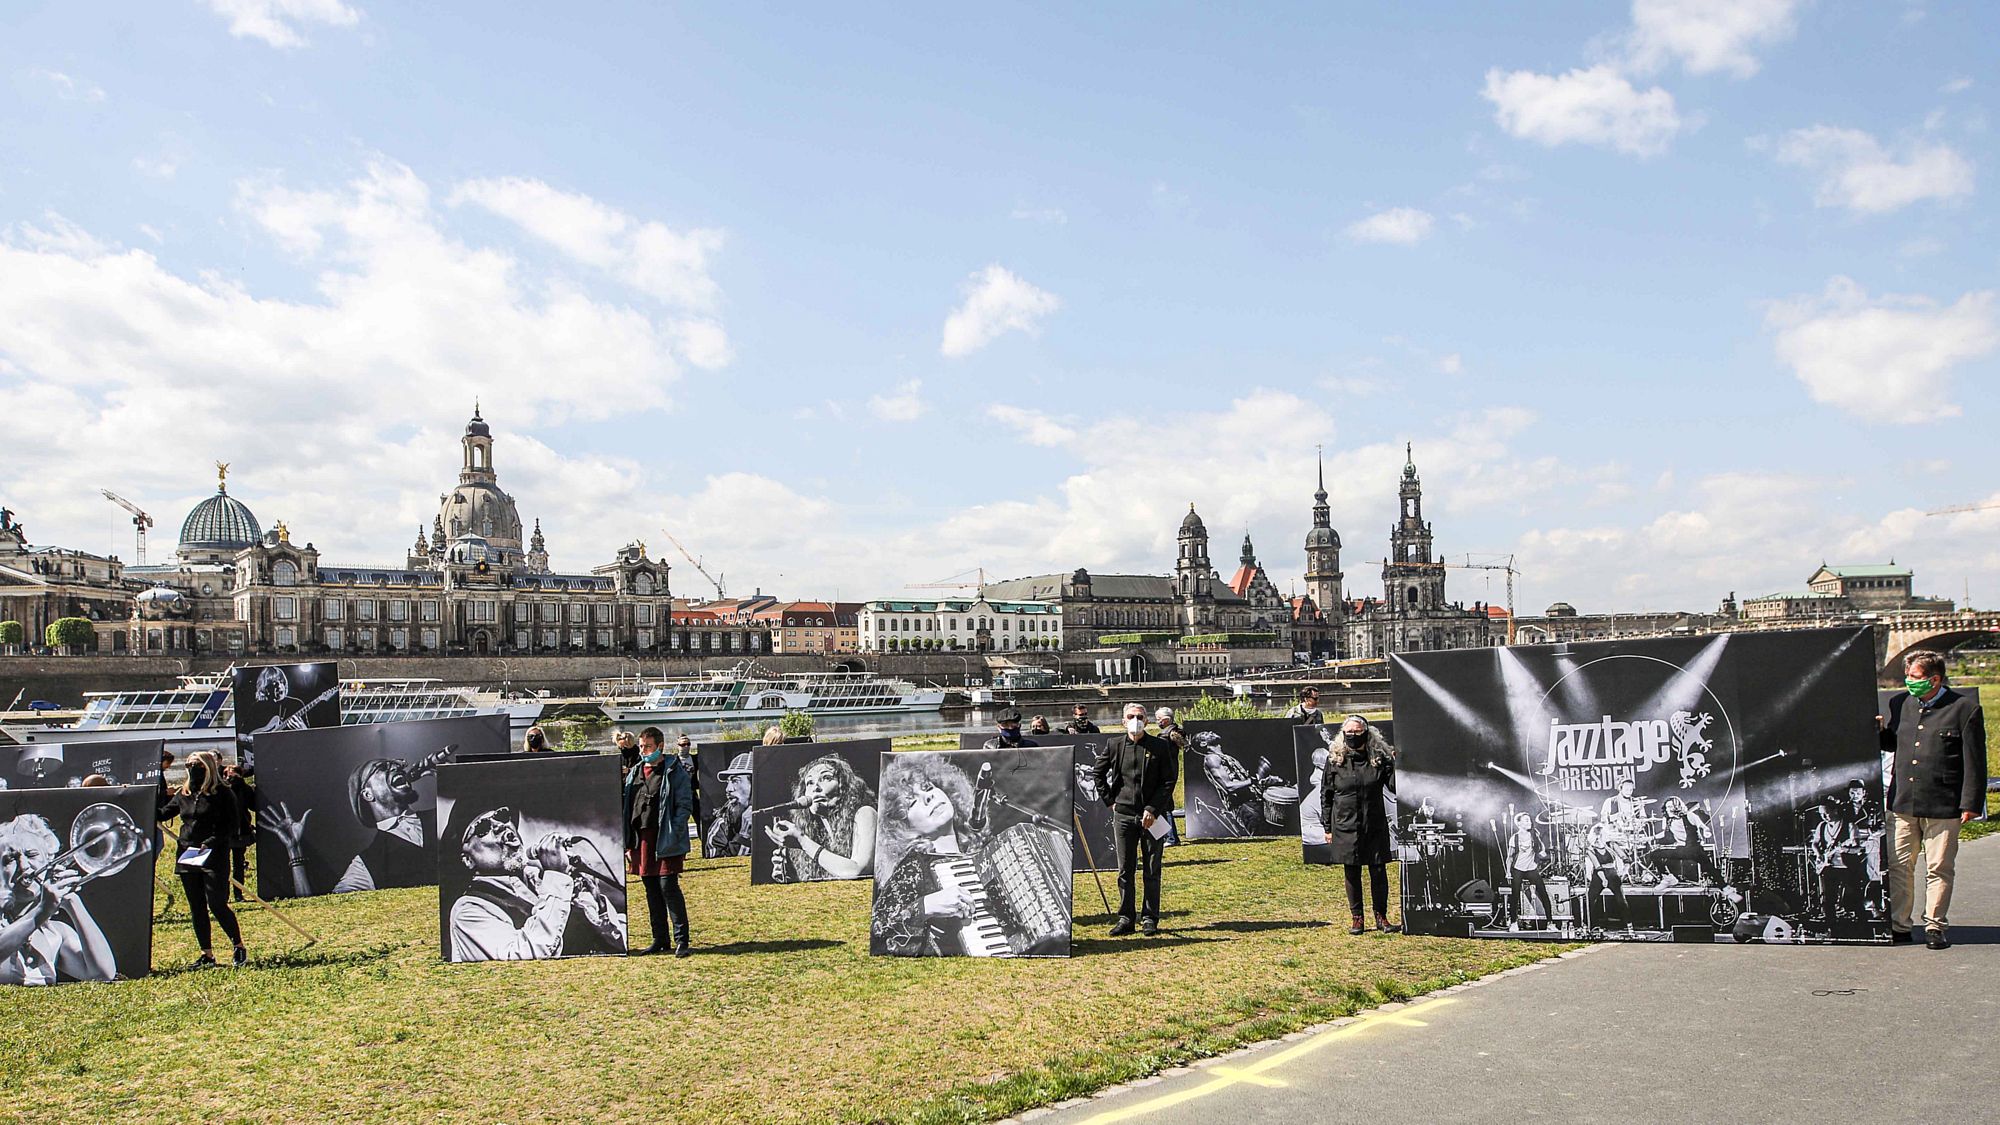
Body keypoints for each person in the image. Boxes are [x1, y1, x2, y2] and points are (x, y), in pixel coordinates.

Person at [1881, 650, 1987, 949]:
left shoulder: (1964, 709)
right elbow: (1894, 743)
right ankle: (1899, 924)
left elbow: (1975, 761)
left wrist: (1970, 803)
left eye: (1914, 677)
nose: (1908, 682)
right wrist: (1878, 731)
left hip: (1944, 802)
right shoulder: (1900, 703)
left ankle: (1934, 925)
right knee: (1900, 865)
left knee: (1938, 867)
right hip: (1903, 801)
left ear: (1935, 679)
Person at [449, 807, 624, 961]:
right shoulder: (469, 910)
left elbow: (619, 943)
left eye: (502, 815)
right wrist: (556, 877)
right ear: (468, 860)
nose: (499, 825)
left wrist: (597, 904)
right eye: (483, 827)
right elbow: (521, 958)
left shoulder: (542, 885)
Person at [261, 752, 439, 896]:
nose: (395, 766)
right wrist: (294, 852)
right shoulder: (366, 863)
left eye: (396, 765)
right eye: (382, 768)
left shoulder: (443, 814)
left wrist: (448, 776)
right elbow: (322, 909)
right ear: (368, 794)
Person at [0, 812, 118, 984]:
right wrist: (43, 910)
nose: (24, 866)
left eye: (32, 855)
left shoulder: (56, 931)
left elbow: (102, 973)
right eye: (10, 859)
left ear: (49, 862)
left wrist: (72, 901)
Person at [1092, 703, 1178, 935]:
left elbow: (1169, 781)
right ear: (1123, 721)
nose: (1135, 720)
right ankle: (1126, 918)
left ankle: (1150, 918)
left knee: (1152, 868)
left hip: (1153, 817)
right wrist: (1110, 800)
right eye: (1130, 716)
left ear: (1147, 721)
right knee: (1125, 869)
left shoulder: (1160, 746)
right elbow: (1097, 773)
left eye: (1139, 716)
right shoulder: (1115, 745)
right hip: (1124, 815)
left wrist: (1153, 808)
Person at [162, 750, 246, 968]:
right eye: (189, 764)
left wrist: (210, 842)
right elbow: (163, 813)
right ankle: (206, 954)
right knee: (196, 906)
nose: (191, 767)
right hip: (188, 854)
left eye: (196, 764)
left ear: (207, 767)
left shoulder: (222, 793)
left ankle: (238, 945)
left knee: (216, 903)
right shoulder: (185, 793)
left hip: (213, 853)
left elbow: (230, 825)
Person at [1321, 715, 1398, 934]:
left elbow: (1393, 787)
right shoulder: (1335, 759)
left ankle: (1381, 917)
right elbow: (1326, 794)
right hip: (1345, 823)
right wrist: (1327, 827)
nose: (1353, 736)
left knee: (1378, 869)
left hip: (1373, 822)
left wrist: (1394, 764)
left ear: (1366, 732)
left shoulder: (1379, 758)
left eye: (1357, 731)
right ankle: (1357, 918)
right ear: (1343, 734)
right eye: (1349, 732)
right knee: (1352, 871)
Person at [623, 726, 694, 956]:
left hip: (665, 836)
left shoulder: (674, 771)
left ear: (660, 746)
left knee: (668, 887)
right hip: (641, 837)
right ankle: (660, 939)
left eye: (648, 747)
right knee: (650, 888)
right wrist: (627, 840)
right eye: (642, 746)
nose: (644, 750)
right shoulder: (635, 772)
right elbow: (627, 807)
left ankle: (682, 939)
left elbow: (684, 804)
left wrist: (676, 830)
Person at [765, 754, 878, 882]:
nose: (816, 788)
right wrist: (791, 876)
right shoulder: (815, 832)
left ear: (845, 786)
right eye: (810, 782)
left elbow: (857, 871)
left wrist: (802, 841)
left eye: (826, 778)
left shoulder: (865, 813)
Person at [1838, 778, 1886, 918]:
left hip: (1870, 845)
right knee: (1853, 877)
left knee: (1872, 875)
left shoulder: (1874, 807)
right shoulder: (1844, 808)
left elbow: (1883, 827)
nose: (1854, 795)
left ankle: (1875, 907)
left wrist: (1870, 833)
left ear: (1864, 792)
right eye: (1852, 792)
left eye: (1857, 792)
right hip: (1852, 847)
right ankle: (1855, 909)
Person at [1807, 802, 1860, 922]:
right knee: (1829, 898)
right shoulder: (1821, 826)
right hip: (1829, 866)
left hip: (1847, 867)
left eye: (1826, 813)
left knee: (1853, 896)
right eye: (1821, 814)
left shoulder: (1850, 826)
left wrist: (1845, 849)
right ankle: (1831, 925)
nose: (1824, 817)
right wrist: (1818, 854)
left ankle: (1860, 925)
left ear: (1835, 811)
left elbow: (1857, 848)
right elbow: (1814, 843)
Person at [1650, 796, 1720, 885]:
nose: (1668, 809)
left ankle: (1726, 889)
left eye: (1671, 807)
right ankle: (1669, 878)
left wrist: (1706, 832)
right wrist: (1650, 838)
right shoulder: (1667, 820)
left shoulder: (1690, 816)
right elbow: (1664, 833)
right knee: (1655, 854)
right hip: (1681, 849)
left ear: (1677, 807)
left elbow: (1704, 827)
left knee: (1710, 869)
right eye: (1667, 807)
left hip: (1694, 849)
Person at [1503, 812, 1554, 931]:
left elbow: (1541, 848)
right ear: (1519, 823)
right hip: (1518, 868)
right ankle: (1514, 922)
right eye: (1526, 820)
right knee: (1514, 895)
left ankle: (1550, 923)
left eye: (1529, 820)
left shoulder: (1534, 834)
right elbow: (1510, 857)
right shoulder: (1514, 838)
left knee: (1543, 893)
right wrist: (1508, 872)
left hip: (1531, 868)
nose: (1529, 822)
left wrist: (1542, 852)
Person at [703, 752, 754, 857]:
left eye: (735, 781)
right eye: (728, 782)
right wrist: (744, 836)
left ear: (755, 785)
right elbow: (718, 866)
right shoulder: (721, 826)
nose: (728, 789)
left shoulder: (779, 820)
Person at [1582, 821, 1629, 931]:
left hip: (1612, 873)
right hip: (1599, 875)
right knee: (1590, 899)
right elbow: (1597, 866)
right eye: (1596, 835)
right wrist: (1603, 879)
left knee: (1621, 899)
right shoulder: (1591, 849)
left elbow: (1625, 858)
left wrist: (1625, 870)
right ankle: (1588, 924)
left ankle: (1628, 924)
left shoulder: (1611, 845)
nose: (1598, 838)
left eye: (1600, 834)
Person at [221, 762, 257, 902]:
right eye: (227, 774)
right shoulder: (221, 788)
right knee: (223, 865)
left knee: (238, 865)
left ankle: (238, 894)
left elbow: (253, 806)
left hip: (241, 830)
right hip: (224, 831)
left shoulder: (244, 788)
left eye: (233, 773)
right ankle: (224, 895)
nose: (230, 776)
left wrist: (244, 786)